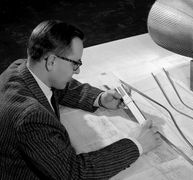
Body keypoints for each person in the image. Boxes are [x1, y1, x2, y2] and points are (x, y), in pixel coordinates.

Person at [0, 20, 162, 179]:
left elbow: (58, 88)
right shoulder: (31, 117)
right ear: (51, 61)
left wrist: (100, 98)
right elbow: (73, 173)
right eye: (75, 64)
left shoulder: (21, 69)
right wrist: (136, 144)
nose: (77, 72)